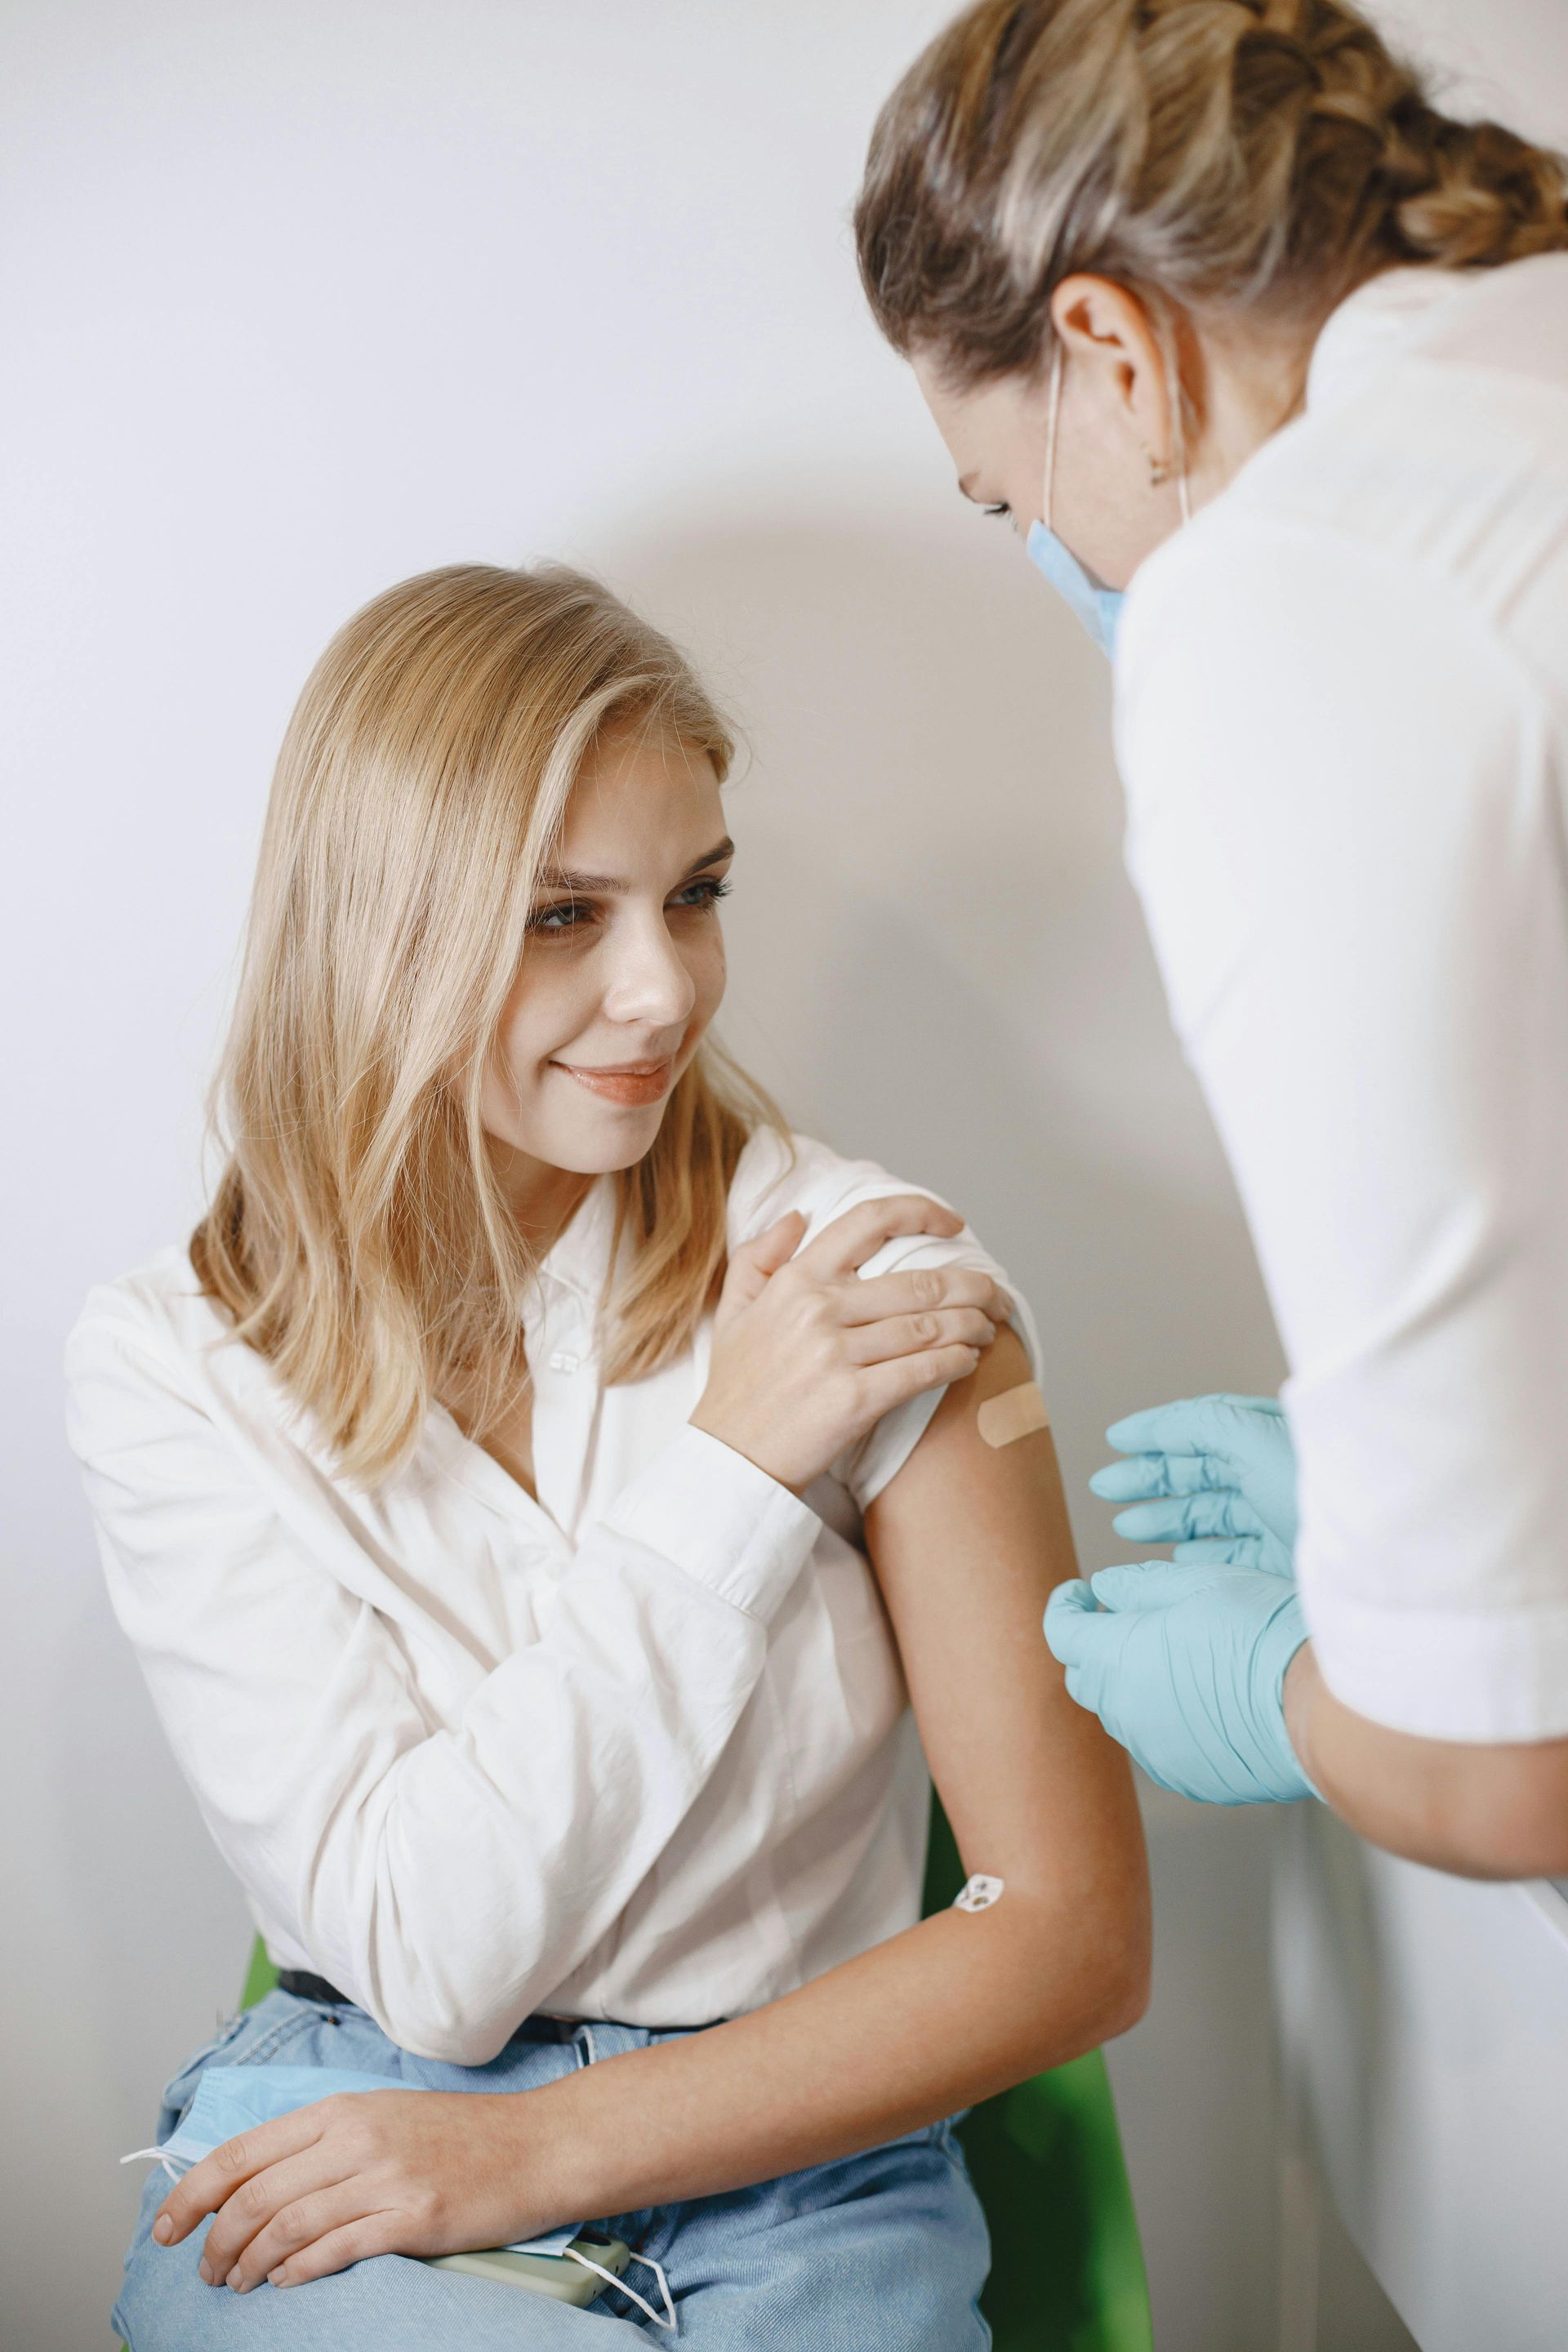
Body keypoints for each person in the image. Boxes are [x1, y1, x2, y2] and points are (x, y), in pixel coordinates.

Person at [67, 563, 1147, 2348]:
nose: (663, 992)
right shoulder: (175, 1363)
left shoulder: (869, 1277)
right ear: (379, 923)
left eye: (695, 896)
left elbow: (1073, 1931)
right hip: (362, 2108)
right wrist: (729, 1480)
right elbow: (428, 1957)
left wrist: (534, 2156)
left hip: (808, 2166)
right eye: (564, 914)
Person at [854, 0, 1568, 1878]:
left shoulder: (1284, 616)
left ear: (1109, 342)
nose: (1064, 570)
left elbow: (1504, 1772)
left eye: (1015, 499)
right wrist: (1400, 1495)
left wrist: (1284, 1689)